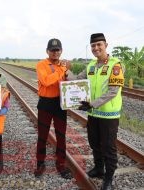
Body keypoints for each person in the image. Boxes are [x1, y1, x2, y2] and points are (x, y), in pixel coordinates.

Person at [77, 33, 124, 190]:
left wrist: (92, 104)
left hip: (109, 115)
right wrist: (65, 70)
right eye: (93, 46)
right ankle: (99, 169)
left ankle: (109, 178)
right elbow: (77, 80)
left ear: (106, 45)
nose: (96, 48)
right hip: (93, 114)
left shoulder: (115, 65)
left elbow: (113, 92)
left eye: (99, 45)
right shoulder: (90, 65)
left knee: (109, 147)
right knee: (94, 143)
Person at [35, 38, 72, 179]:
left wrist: (67, 73)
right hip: (45, 103)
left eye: (57, 50)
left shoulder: (64, 67)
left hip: (60, 103)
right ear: (47, 51)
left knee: (61, 136)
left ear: (61, 51)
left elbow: (70, 83)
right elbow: (46, 81)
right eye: (52, 50)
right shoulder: (41, 65)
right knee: (42, 135)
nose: (55, 52)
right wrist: (62, 69)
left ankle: (61, 164)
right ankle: (40, 163)